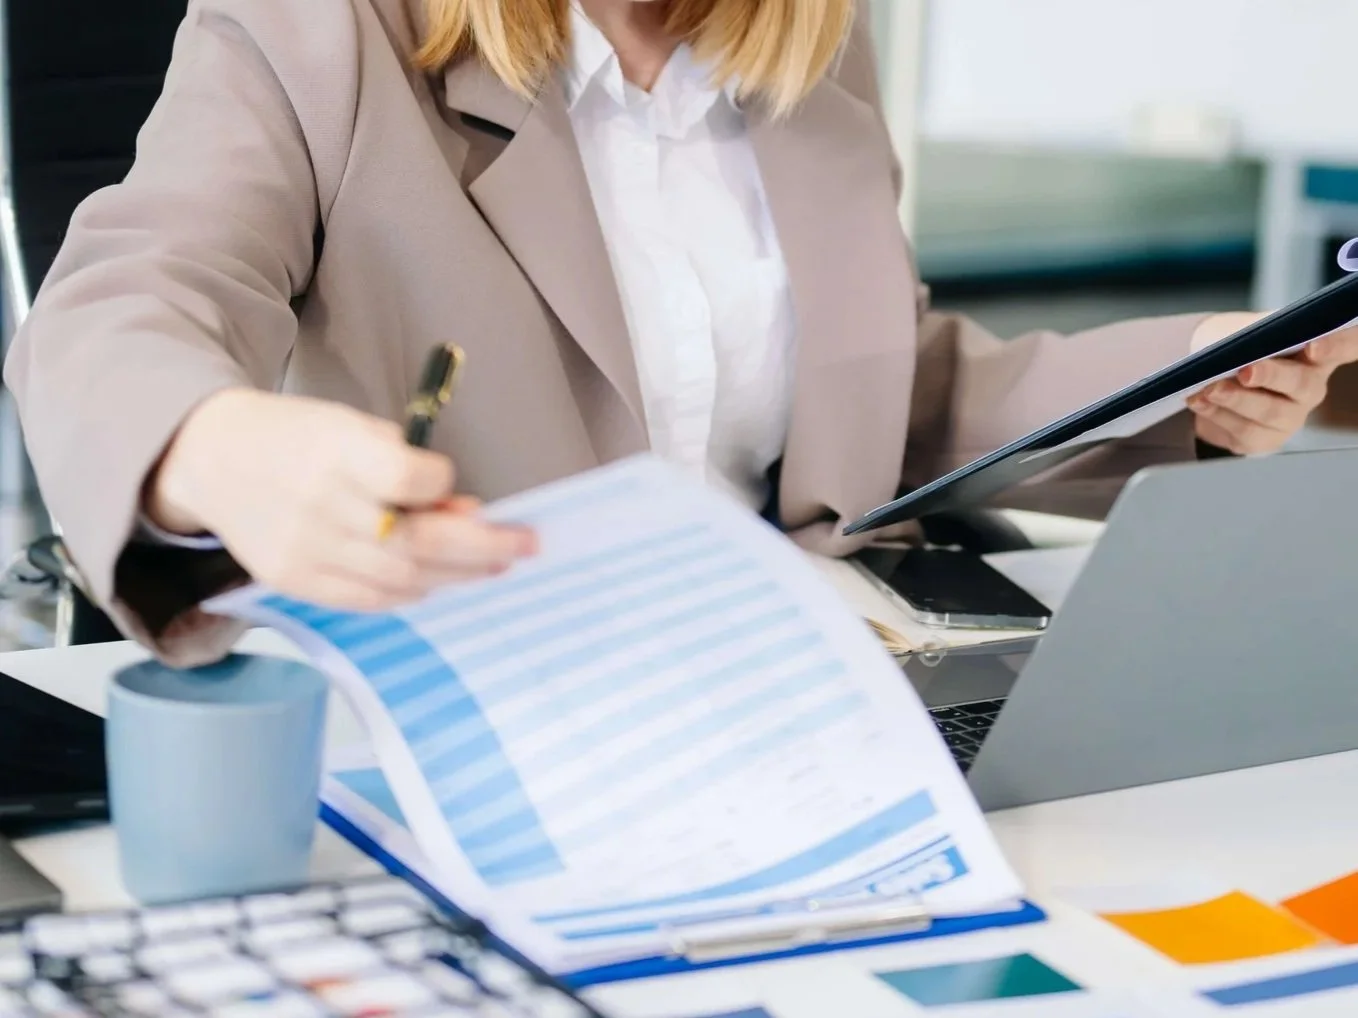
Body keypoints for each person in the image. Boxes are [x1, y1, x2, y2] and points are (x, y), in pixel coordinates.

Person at [5, 0, 1357, 665]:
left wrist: (1190, 371)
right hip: (473, 683)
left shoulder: (807, 51)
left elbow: (883, 384)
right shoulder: (317, 27)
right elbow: (123, 301)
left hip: (791, 674)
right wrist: (213, 443)